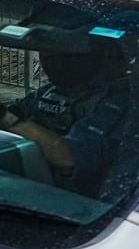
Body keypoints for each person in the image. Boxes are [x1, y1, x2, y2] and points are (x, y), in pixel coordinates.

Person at [0, 46, 128, 195]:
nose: (49, 60)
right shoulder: (48, 91)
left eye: (59, 54)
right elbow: (13, 116)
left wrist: (7, 118)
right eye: (46, 52)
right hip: (25, 187)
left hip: (75, 206)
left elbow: (69, 160)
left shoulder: (115, 101)